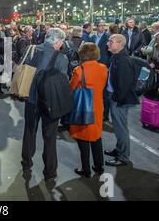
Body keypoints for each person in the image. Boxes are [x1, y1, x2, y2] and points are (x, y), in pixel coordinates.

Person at [22, 28, 69, 181]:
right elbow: (62, 82)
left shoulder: (31, 49)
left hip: (31, 98)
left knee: (29, 131)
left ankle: (26, 161)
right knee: (50, 137)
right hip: (50, 102)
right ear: (58, 42)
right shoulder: (62, 58)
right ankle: (50, 171)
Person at [69, 43, 108, 177]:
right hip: (97, 106)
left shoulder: (78, 71)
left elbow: (72, 88)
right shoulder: (103, 68)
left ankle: (85, 169)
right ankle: (99, 166)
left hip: (83, 108)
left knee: (83, 138)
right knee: (96, 137)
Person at [105, 34, 139, 166]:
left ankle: (123, 156)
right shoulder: (116, 57)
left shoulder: (123, 60)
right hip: (116, 97)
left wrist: (116, 99)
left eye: (111, 41)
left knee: (120, 129)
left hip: (120, 100)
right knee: (119, 127)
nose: (108, 43)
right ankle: (119, 150)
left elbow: (124, 84)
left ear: (120, 44)